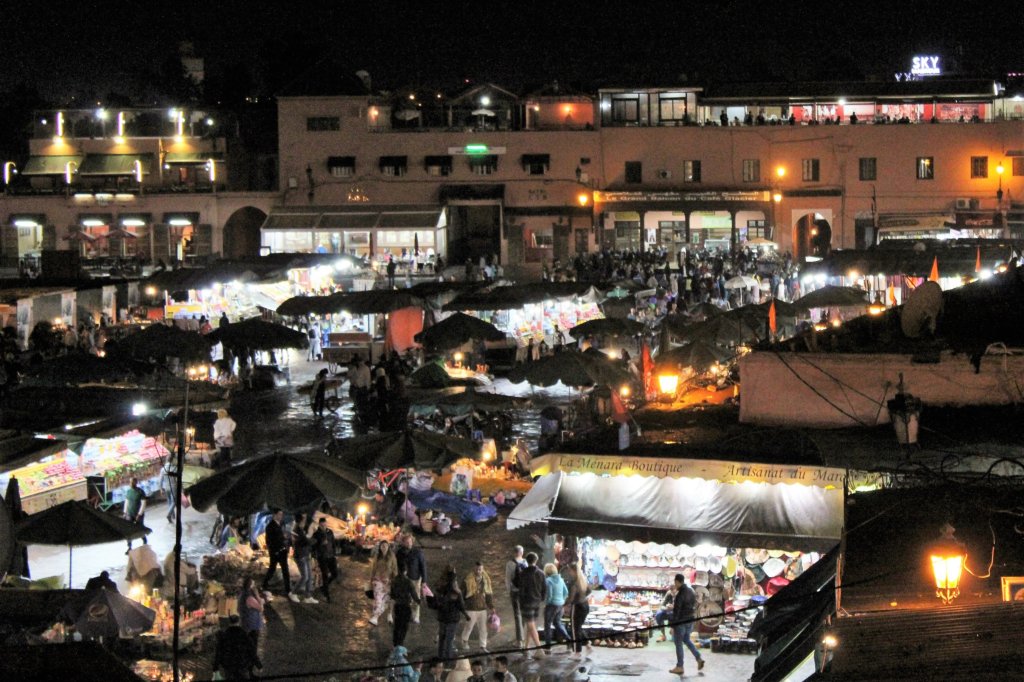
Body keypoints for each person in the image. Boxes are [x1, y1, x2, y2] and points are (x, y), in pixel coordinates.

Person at [669, 572, 705, 675]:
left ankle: (680, 666)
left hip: (681, 622)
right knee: (687, 640)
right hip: (690, 621)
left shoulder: (680, 594)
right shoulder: (691, 591)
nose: (674, 584)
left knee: (679, 643)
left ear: (677, 581)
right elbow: (694, 605)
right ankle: (698, 658)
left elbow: (677, 611)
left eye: (675, 582)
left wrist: (673, 626)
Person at [434, 566, 470, 662]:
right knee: (449, 640)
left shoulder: (441, 590)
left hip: (442, 618)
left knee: (442, 638)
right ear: (454, 580)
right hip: (452, 619)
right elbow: (461, 606)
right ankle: (447, 659)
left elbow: (436, 601)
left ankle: (440, 657)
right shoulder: (457, 592)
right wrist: (466, 615)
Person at [514, 552, 546, 659]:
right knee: (531, 624)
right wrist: (542, 598)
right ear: (536, 560)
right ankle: (527, 647)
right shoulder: (541, 573)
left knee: (530, 624)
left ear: (526, 561)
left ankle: (539, 648)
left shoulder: (523, 573)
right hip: (537, 601)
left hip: (526, 601)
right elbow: (544, 588)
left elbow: (517, 585)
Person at [461, 560, 495, 652]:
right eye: (476, 569)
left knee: (483, 629)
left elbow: (488, 594)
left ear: (482, 569)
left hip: (482, 608)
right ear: (474, 569)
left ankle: (483, 646)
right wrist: (461, 606)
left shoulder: (486, 580)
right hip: (471, 608)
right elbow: (462, 594)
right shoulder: (467, 580)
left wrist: (491, 607)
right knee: (469, 626)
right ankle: (464, 641)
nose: (478, 571)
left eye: (480, 569)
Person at [212, 614, 260, 680]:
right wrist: (258, 665)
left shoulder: (224, 635)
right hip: (242, 665)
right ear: (238, 622)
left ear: (229, 622)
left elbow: (219, 652)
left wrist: (215, 668)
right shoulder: (244, 634)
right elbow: (251, 650)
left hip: (229, 666)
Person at [395, 533, 427, 624]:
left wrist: (424, 581)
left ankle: (416, 615)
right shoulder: (400, 552)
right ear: (403, 543)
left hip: (415, 578)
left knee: (416, 597)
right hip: (404, 579)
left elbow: (423, 566)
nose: (408, 543)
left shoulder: (418, 552)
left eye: (410, 541)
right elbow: (396, 566)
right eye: (406, 542)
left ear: (412, 541)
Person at [564, 560, 593, 658]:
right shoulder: (583, 580)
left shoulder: (574, 583)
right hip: (585, 605)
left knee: (574, 629)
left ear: (573, 571)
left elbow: (571, 598)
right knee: (578, 627)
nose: (568, 573)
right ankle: (588, 646)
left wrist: (565, 604)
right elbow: (589, 591)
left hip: (577, 607)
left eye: (569, 570)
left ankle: (577, 652)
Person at [236, 577, 265, 674]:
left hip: (245, 623)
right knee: (252, 646)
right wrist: (257, 595)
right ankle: (251, 668)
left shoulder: (242, 595)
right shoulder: (250, 597)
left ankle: (248, 666)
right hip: (252, 624)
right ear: (250, 586)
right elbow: (260, 608)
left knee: (247, 645)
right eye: (253, 584)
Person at [261, 510, 291, 599]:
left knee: (278, 569)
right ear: (274, 515)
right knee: (276, 569)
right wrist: (274, 551)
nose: (281, 516)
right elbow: (269, 541)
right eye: (279, 514)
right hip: (276, 551)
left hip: (281, 550)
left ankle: (287, 589)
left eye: (282, 514)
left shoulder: (280, 525)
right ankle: (287, 589)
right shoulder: (270, 526)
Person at [390, 562, 421, 647]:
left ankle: (395, 644)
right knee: (404, 627)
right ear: (406, 571)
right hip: (406, 607)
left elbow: (392, 595)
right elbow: (414, 594)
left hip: (397, 606)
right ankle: (400, 644)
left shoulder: (394, 581)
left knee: (397, 626)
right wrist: (419, 601)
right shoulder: (408, 582)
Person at [369, 539, 398, 626]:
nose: (384, 547)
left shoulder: (392, 557)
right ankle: (375, 617)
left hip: (388, 581)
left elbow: (394, 569)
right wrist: (371, 578)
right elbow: (373, 568)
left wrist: (393, 580)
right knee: (378, 599)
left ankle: (388, 615)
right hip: (377, 581)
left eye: (385, 546)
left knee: (387, 600)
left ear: (388, 547)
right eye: (382, 546)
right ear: (380, 547)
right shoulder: (377, 556)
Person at [542, 562, 571, 651]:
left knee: (547, 625)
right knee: (557, 623)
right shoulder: (561, 580)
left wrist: (546, 603)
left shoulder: (548, 581)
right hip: (560, 605)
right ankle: (569, 640)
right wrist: (561, 600)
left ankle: (548, 646)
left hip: (551, 606)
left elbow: (549, 595)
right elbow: (566, 592)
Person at [290, 513, 318, 603]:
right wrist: (313, 536)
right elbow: (306, 541)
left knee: (309, 576)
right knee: (305, 577)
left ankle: (308, 596)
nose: (306, 520)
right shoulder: (297, 529)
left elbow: (306, 541)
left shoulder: (300, 529)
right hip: (300, 556)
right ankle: (293, 593)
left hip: (305, 554)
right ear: (301, 520)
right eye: (304, 518)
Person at [504, 545, 528, 648]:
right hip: (524, 592)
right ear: (521, 553)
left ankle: (519, 640)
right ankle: (521, 637)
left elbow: (507, 578)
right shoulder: (525, 563)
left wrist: (509, 590)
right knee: (522, 615)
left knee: (517, 615)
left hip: (515, 591)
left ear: (514, 553)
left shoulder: (510, 564)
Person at [312, 516, 338, 602]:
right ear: (319, 524)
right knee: (325, 575)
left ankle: (323, 587)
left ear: (326, 524)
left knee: (335, 574)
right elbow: (313, 546)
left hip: (331, 556)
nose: (323, 526)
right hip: (322, 557)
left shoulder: (330, 532)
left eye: (324, 524)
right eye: (322, 525)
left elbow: (333, 543)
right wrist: (320, 543)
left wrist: (335, 554)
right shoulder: (316, 534)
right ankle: (327, 594)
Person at [123, 477, 147, 551]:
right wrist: (125, 512)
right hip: (130, 513)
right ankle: (129, 546)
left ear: (136, 483)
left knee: (139, 528)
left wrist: (139, 514)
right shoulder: (128, 492)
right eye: (130, 482)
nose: (130, 484)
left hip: (138, 514)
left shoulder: (140, 492)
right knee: (129, 530)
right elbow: (126, 502)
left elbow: (143, 503)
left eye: (132, 482)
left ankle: (144, 540)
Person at [160, 456, 178, 523]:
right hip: (173, 486)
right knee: (174, 502)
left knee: (169, 501)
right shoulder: (175, 468)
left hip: (166, 487)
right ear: (172, 460)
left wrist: (161, 488)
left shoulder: (163, 469)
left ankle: (173, 515)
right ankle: (169, 514)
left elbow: (160, 480)